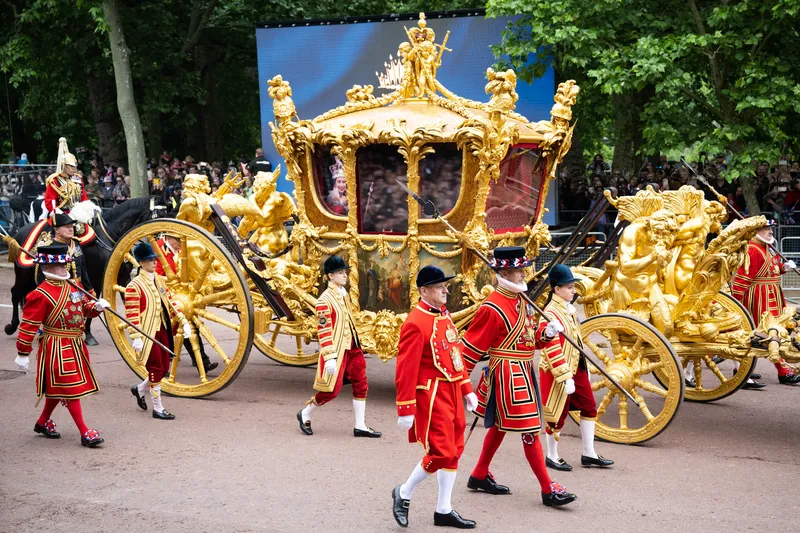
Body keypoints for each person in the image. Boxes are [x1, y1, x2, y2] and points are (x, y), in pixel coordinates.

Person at [461, 247, 577, 507]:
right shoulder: (492, 307)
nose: (524, 273)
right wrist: (462, 385)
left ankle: (479, 474)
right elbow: (469, 349)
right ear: (504, 272)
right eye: (519, 270)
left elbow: (529, 339)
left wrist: (546, 334)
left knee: (502, 426)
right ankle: (548, 488)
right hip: (506, 373)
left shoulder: (522, 300)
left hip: (524, 370)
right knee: (530, 429)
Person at [392, 265, 478, 529]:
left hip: (451, 390)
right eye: (440, 287)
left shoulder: (443, 315)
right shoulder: (415, 323)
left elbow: (455, 356)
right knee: (441, 451)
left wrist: (467, 389)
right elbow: (406, 369)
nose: (445, 291)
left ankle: (443, 509)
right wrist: (405, 408)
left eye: (445, 286)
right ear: (424, 291)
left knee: (454, 451)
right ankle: (404, 492)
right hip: (431, 394)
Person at [15, 243, 110, 447]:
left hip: (75, 343)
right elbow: (28, 325)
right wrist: (23, 353)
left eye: (65, 264)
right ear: (47, 269)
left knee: (58, 388)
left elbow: (83, 307)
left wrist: (96, 307)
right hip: (56, 345)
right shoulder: (39, 294)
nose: (64, 268)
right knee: (70, 388)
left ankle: (42, 423)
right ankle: (85, 432)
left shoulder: (73, 285)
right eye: (60, 266)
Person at [538, 264, 614, 470]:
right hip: (558, 372)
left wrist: (584, 367)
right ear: (557, 290)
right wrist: (564, 376)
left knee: (589, 407)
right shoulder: (550, 313)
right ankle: (552, 455)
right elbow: (550, 348)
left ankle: (589, 453)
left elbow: (576, 341)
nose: (574, 291)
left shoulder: (568, 310)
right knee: (557, 414)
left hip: (576, 367)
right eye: (570, 287)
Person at [296, 255, 380, 437]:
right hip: (337, 350)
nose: (345, 275)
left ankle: (360, 425)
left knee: (361, 382)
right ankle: (306, 412)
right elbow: (324, 331)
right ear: (330, 276)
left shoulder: (344, 294)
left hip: (352, 346)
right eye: (340, 273)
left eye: (345, 272)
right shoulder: (324, 301)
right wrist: (329, 357)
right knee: (332, 391)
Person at [126, 242, 193, 420]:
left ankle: (139, 389)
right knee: (155, 368)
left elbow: (170, 302)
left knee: (163, 368)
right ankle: (158, 407)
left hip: (163, 329)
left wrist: (183, 320)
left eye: (154, 259)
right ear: (141, 263)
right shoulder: (134, 285)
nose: (154, 263)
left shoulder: (160, 280)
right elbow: (132, 315)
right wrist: (136, 337)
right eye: (150, 260)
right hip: (148, 332)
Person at [731, 219, 800, 385]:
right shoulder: (753, 250)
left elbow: (772, 269)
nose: (770, 231)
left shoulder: (767, 247)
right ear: (756, 231)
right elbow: (742, 279)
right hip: (759, 297)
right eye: (766, 229)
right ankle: (781, 370)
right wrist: (735, 304)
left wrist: (784, 268)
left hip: (772, 294)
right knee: (766, 333)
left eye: (770, 228)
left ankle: (747, 367)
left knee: (776, 331)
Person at [154, 233, 218, 373]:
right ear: (169, 238)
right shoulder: (157, 249)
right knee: (164, 333)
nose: (180, 245)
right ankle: (161, 367)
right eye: (178, 241)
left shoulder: (180, 248)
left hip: (181, 296)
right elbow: (156, 275)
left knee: (189, 326)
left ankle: (202, 361)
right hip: (165, 297)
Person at [34, 213, 93, 295]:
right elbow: (41, 276)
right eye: (67, 227)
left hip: (77, 290)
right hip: (58, 292)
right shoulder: (48, 247)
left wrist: (90, 290)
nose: (71, 229)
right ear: (56, 229)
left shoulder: (75, 243)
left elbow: (83, 269)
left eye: (72, 226)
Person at [43, 137, 95, 221]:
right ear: (64, 166)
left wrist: (89, 208)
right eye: (70, 166)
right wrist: (59, 213)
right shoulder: (55, 181)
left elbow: (83, 197)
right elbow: (50, 201)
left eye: (74, 166)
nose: (74, 168)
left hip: (79, 213)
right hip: (62, 214)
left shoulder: (77, 179)